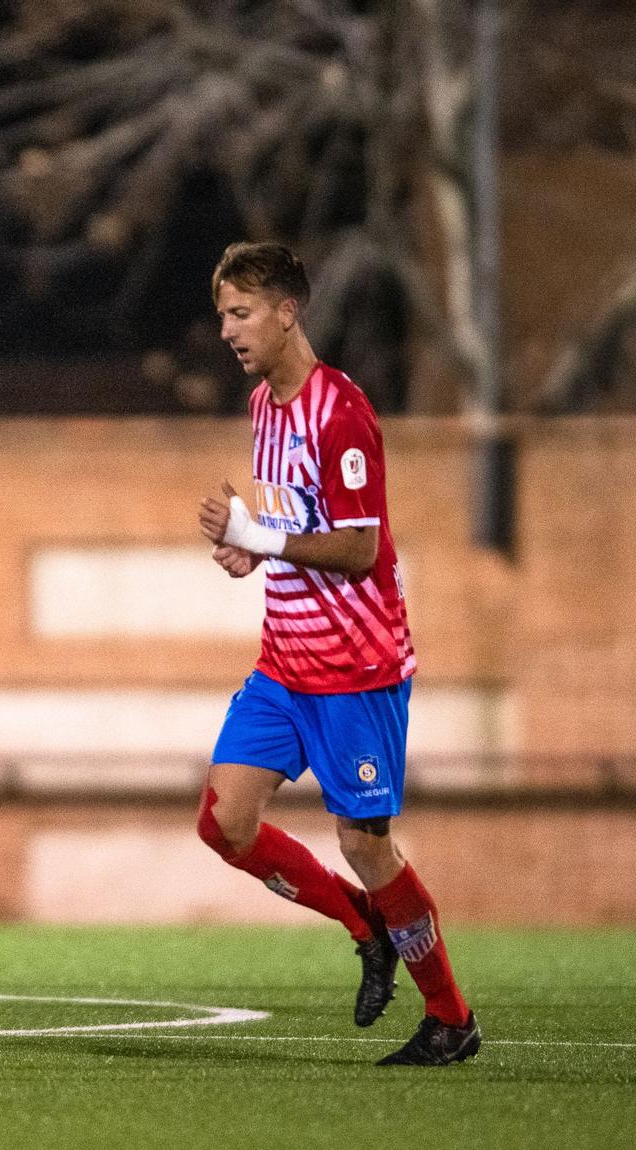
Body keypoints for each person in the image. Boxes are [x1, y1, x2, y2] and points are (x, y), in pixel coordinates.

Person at [197, 241, 478, 1066]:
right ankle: (366, 925)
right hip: (284, 664)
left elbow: (359, 549)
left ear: (289, 312)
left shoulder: (341, 412)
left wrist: (260, 533)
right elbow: (295, 536)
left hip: (356, 672)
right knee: (225, 822)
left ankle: (451, 1019)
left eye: (241, 313)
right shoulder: (263, 408)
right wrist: (254, 552)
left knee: (365, 842)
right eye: (222, 315)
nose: (227, 331)